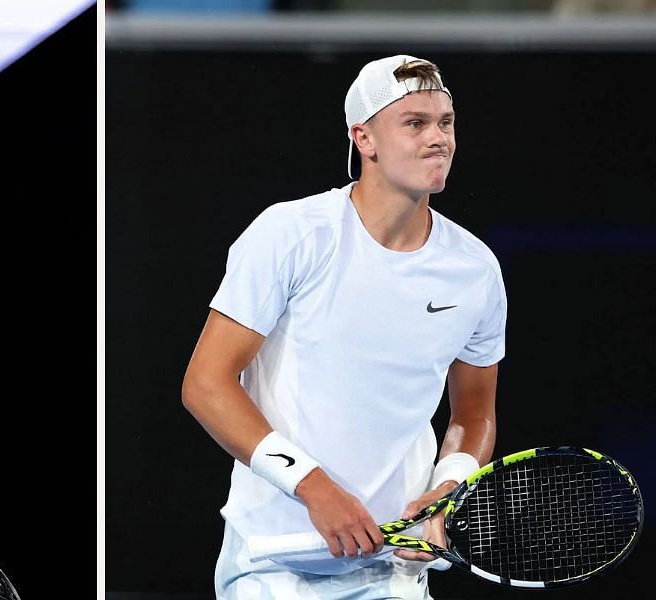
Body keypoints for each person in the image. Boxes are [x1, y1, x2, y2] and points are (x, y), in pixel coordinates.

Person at [181, 55, 506, 598]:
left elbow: (474, 414)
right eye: (415, 123)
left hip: (397, 574)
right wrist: (312, 487)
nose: (439, 139)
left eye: (446, 122)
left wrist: (447, 488)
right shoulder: (290, 234)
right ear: (366, 139)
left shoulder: (475, 269)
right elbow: (206, 385)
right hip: (273, 567)